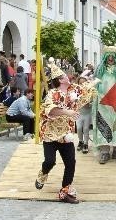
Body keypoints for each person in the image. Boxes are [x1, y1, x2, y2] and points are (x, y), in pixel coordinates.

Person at [34, 65, 94, 202]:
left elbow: (87, 90)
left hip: (66, 133)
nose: (68, 76)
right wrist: (68, 112)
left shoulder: (75, 89)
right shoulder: (52, 93)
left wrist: (98, 81)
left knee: (71, 163)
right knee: (50, 161)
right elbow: (50, 110)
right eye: (65, 75)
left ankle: (65, 191)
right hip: (51, 133)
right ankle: (42, 174)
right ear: (60, 80)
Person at [76, 75, 93, 155]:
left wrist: (89, 104)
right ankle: (80, 141)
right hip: (79, 113)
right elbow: (72, 101)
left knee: (86, 129)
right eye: (80, 83)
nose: (82, 85)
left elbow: (93, 101)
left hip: (87, 113)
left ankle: (86, 143)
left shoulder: (90, 91)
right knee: (79, 128)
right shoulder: (75, 91)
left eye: (84, 83)